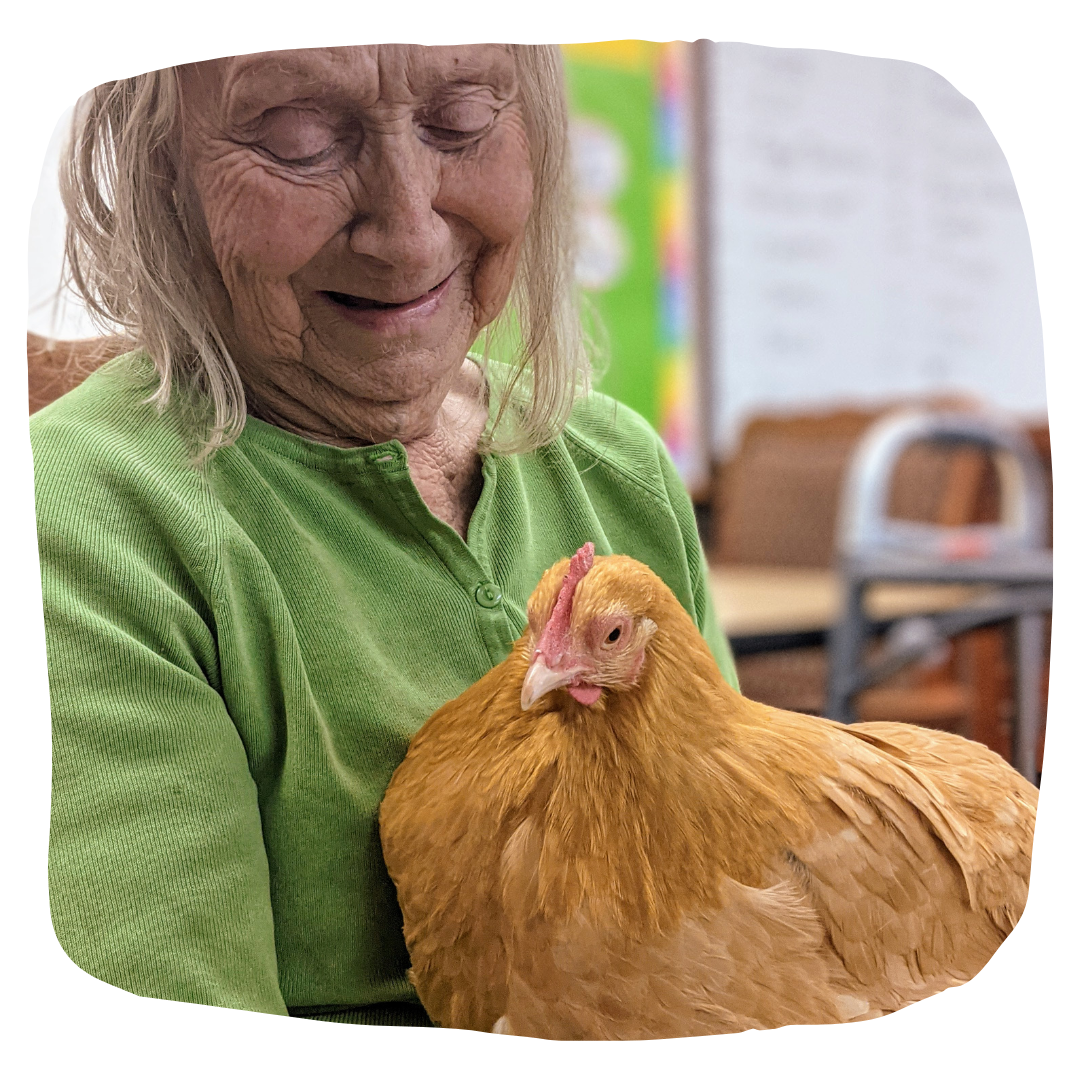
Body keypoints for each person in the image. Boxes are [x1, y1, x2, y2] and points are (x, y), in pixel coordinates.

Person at [33, 45, 739, 1026]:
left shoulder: (614, 466)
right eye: (300, 141)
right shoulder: (82, 520)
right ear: (163, 174)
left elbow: (746, 899)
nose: (408, 236)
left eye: (460, 121)